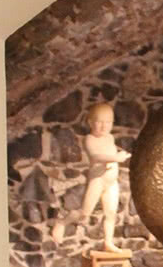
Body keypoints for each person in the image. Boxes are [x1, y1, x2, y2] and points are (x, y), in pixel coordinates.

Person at [52, 102, 131, 250]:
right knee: (84, 214)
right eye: (99, 122)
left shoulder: (109, 138)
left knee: (111, 213)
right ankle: (62, 222)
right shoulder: (89, 139)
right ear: (90, 122)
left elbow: (110, 151)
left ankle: (108, 242)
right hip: (98, 180)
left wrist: (121, 155)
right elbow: (96, 156)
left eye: (108, 122)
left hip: (111, 182)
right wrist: (115, 158)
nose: (104, 126)